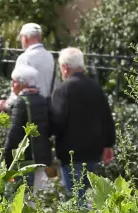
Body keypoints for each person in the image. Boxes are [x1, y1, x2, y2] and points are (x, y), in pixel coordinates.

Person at [49, 47, 115, 203]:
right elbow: (106, 117)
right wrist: (108, 145)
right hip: (93, 152)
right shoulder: (95, 87)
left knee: (75, 200)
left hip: (71, 153)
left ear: (65, 67)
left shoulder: (63, 90)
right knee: (84, 193)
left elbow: (57, 121)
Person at [2, 64, 53, 191]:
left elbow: (14, 133)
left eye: (14, 82)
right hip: (41, 156)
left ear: (23, 84)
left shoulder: (21, 102)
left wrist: (5, 158)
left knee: (22, 195)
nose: (12, 85)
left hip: (26, 158)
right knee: (37, 194)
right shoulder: (42, 99)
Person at [0, 23, 56, 114]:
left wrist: (6, 105)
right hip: (46, 108)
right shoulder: (49, 56)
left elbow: (18, 86)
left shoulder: (25, 58)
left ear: (25, 38)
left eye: (21, 37)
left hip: (27, 108)